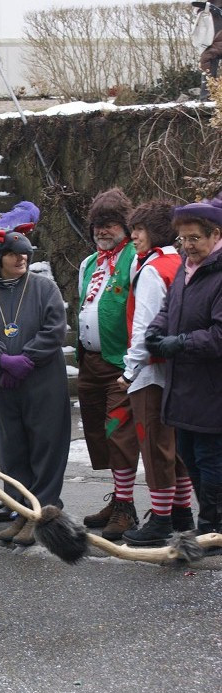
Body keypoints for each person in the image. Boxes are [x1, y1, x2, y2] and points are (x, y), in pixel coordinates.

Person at [0, 229, 71, 547]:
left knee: (46, 445)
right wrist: (3, 359)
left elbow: (55, 329)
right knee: (12, 448)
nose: (22, 258)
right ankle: (21, 512)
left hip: (43, 382)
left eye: (25, 253)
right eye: (14, 253)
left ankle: (42, 513)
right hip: (4, 385)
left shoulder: (44, 287)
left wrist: (25, 358)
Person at [115, 202, 194, 546]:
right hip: (175, 370)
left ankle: (160, 520)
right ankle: (181, 513)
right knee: (173, 447)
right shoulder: (176, 262)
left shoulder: (151, 270)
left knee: (155, 447)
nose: (134, 235)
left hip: (150, 372)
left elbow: (145, 327)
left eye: (140, 229)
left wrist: (130, 371)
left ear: (157, 232)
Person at [145, 193, 222, 537]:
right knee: (191, 456)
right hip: (185, 387)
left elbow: (219, 335)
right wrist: (157, 330)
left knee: (211, 462)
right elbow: (170, 308)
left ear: (215, 235)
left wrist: (180, 343)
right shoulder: (185, 269)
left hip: (212, 388)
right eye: (183, 238)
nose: (188, 245)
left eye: (196, 238)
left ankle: (212, 526)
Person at [77, 188, 140, 540]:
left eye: (110, 224)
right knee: (99, 435)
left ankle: (126, 509)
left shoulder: (134, 258)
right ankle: (119, 498)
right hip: (91, 362)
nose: (102, 231)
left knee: (119, 435)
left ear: (126, 227)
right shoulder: (89, 263)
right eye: (98, 224)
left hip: (121, 363)